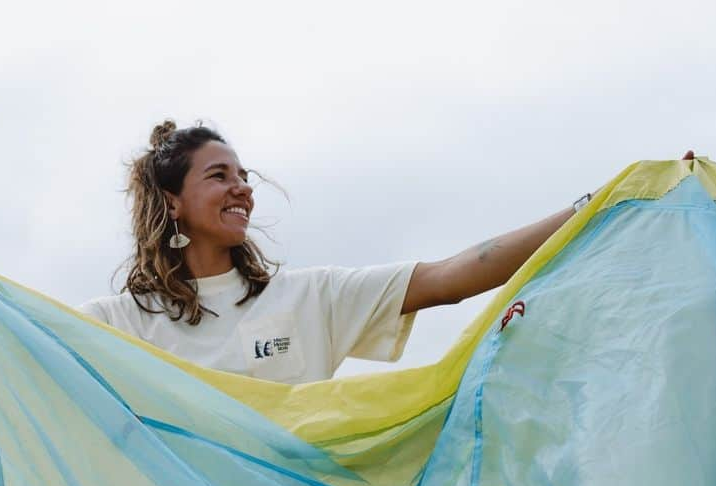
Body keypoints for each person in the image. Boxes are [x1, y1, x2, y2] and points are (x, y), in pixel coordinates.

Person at [81, 120, 596, 385]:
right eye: (220, 176)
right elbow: (13, 343)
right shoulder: (121, 324)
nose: (242, 189)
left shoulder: (310, 297)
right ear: (172, 202)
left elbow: (451, 276)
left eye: (245, 177)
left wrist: (590, 210)